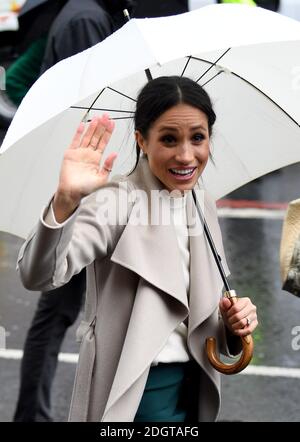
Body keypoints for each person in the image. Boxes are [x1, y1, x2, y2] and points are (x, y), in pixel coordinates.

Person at [17, 76, 258, 422]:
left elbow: (202, 320)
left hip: (196, 388)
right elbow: (38, 274)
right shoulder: (116, 201)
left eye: (198, 138)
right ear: (141, 140)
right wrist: (67, 200)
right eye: (169, 139)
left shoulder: (202, 204)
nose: (186, 155)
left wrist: (234, 325)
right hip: (133, 396)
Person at [13, 0, 135, 423]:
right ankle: (32, 414)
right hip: (87, 189)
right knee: (56, 310)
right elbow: (97, 109)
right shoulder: (86, 17)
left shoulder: (94, 11)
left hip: (90, 186)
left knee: (61, 312)